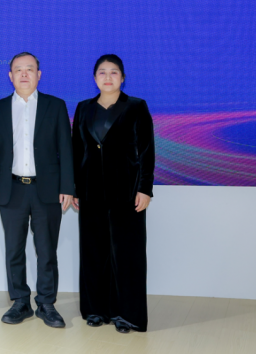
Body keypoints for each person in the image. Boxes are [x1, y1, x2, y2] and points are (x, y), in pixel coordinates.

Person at [0, 52, 74, 328]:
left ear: (39, 75)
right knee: (14, 249)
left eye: (30, 69)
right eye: (18, 69)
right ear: (10, 76)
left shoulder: (55, 106)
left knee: (46, 250)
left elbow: (66, 149)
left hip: (48, 189)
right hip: (10, 188)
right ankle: (20, 301)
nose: (24, 74)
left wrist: (67, 186)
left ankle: (46, 303)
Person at [72, 54, 154, 334]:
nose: (108, 77)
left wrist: (145, 189)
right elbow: (77, 150)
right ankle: (96, 309)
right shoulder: (83, 108)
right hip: (90, 193)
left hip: (127, 193)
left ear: (123, 77)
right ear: (94, 78)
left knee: (127, 254)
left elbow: (146, 151)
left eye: (114, 72)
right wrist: (74, 188)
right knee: (94, 253)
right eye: (102, 72)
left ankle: (127, 314)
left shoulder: (136, 106)